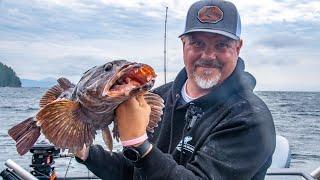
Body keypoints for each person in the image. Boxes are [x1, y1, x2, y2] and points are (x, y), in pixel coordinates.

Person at [75, 0, 276, 179]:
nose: (208, 55)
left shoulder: (251, 120)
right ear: (183, 45)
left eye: (221, 45)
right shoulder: (157, 98)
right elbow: (134, 172)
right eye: (197, 43)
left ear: (238, 48)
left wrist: (139, 145)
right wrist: (87, 153)